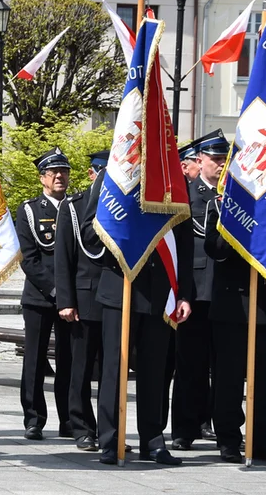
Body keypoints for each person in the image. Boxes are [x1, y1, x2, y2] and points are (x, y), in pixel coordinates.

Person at [80, 171, 193, 466]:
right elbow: (89, 234)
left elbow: (184, 240)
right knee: (113, 371)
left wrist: (184, 294)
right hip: (121, 289)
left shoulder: (171, 178)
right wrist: (123, 225)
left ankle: (153, 441)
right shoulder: (113, 175)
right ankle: (109, 439)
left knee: (155, 372)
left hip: (160, 291)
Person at [205, 196, 266, 465]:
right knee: (229, 380)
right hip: (233, 307)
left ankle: (264, 441)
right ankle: (228, 441)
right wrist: (232, 223)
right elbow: (214, 250)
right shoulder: (222, 204)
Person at [171, 129, 228, 450]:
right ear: (199, 160)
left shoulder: (234, 197)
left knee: (225, 367)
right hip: (194, 292)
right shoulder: (185, 195)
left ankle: (222, 426)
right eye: (215, 159)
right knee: (190, 365)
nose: (221, 165)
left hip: (228, 293)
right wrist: (182, 293)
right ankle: (184, 428)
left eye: (224, 159)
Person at [16, 147, 73, 441]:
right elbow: (29, 258)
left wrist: (68, 296)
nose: (60, 177)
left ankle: (69, 419)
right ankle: (34, 418)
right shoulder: (29, 210)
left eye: (64, 171)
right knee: (35, 360)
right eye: (54, 172)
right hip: (40, 297)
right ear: (43, 178)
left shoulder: (75, 208)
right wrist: (55, 291)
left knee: (69, 360)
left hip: (70, 301)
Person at [55, 150, 107, 451]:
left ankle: (109, 426)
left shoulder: (120, 206)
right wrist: (66, 300)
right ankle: (82, 427)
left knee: (112, 370)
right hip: (84, 297)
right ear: (91, 174)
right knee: (81, 368)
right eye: (100, 171)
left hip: (114, 298)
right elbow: (63, 258)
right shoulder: (74, 207)